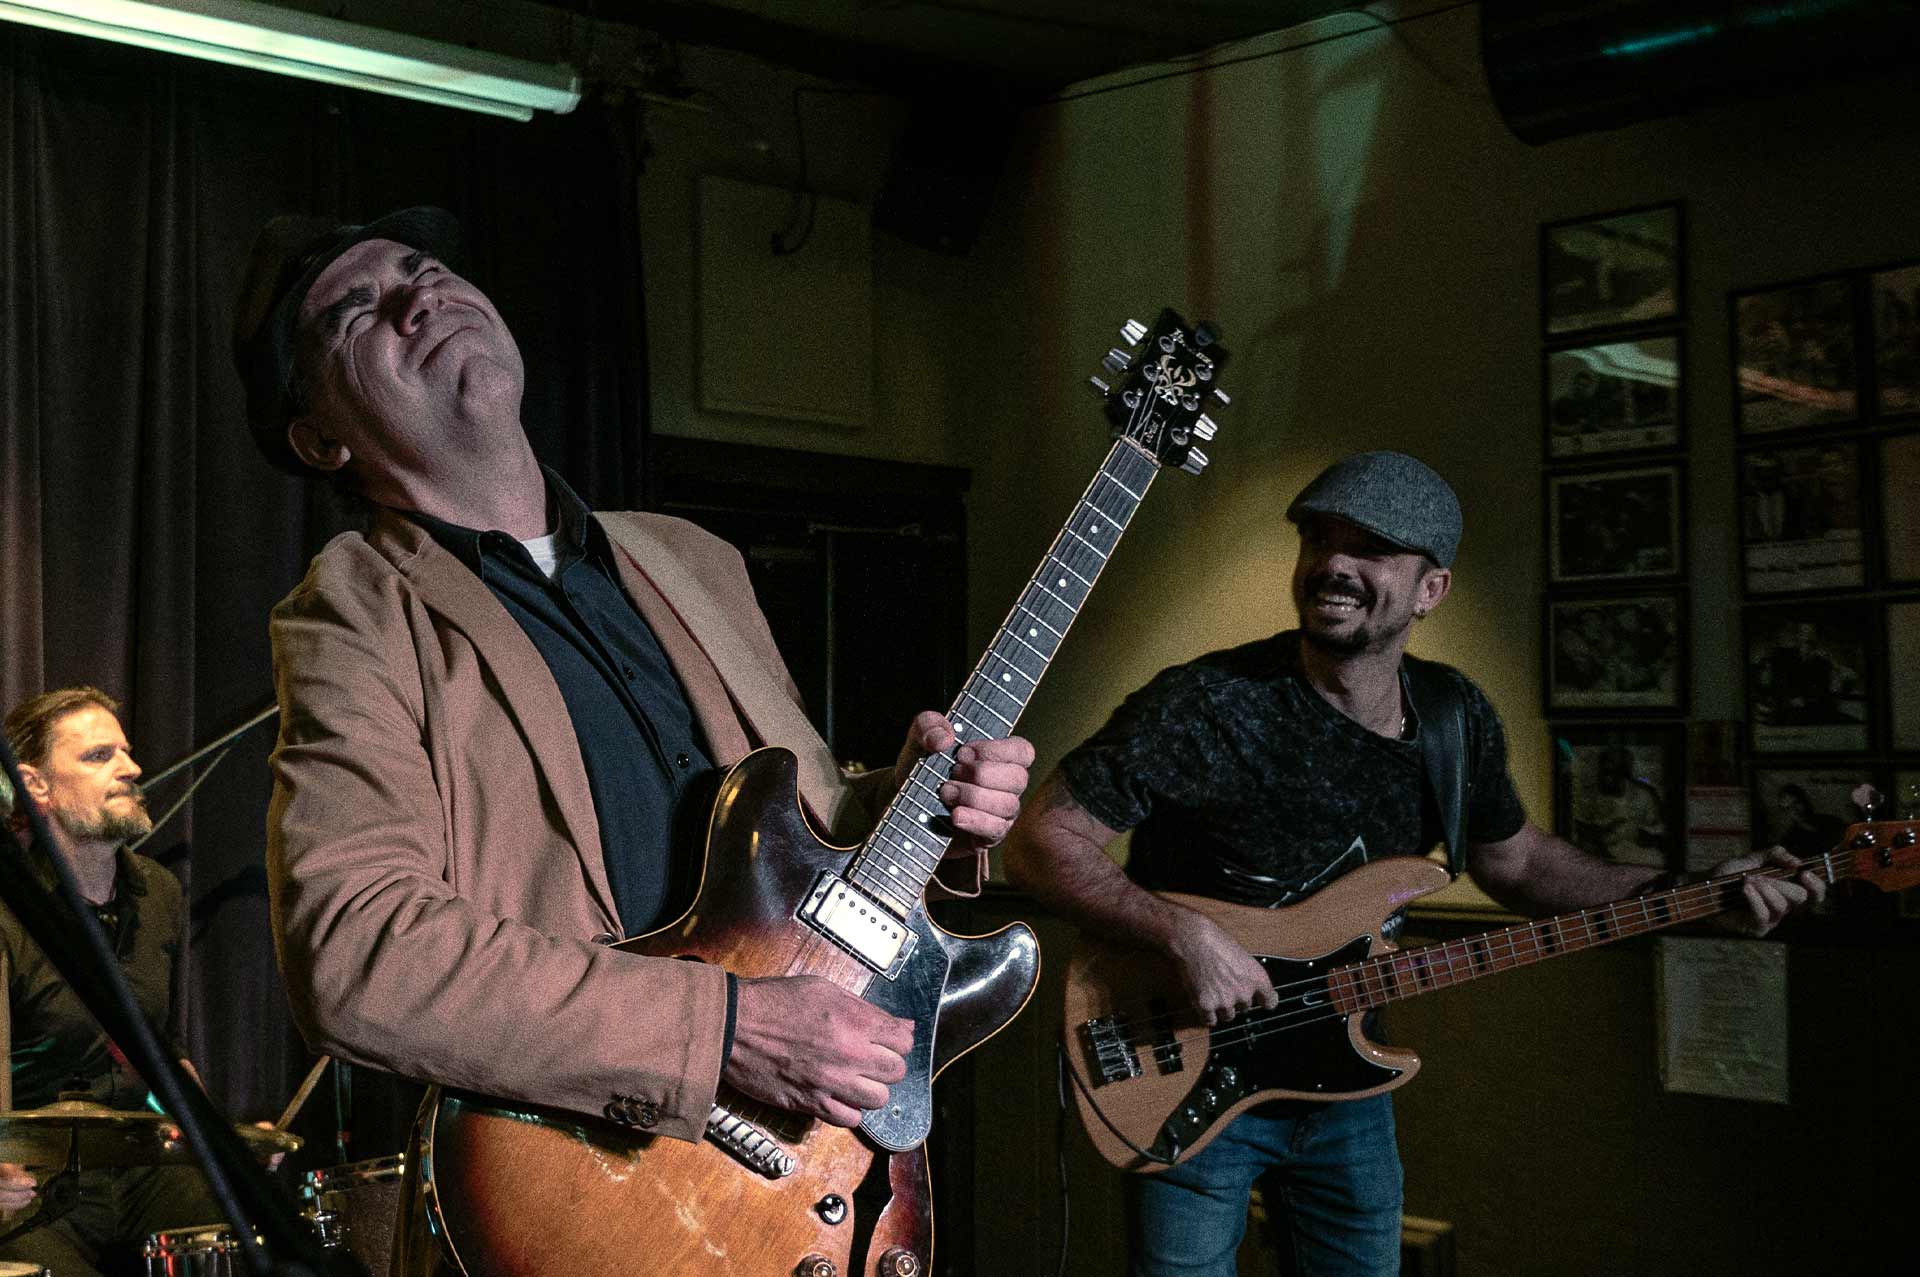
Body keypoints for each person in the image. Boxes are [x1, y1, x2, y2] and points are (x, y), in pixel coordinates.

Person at [230, 207, 1033, 1272]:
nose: (417, 294)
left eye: (425, 267)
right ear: (322, 436)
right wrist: (723, 1030)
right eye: (357, 311)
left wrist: (925, 803)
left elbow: (799, 847)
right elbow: (355, 947)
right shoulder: (354, 610)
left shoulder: (693, 557)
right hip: (597, 1199)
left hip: (809, 1182)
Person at [1002, 451, 1826, 1277]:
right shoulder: (1207, 702)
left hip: (1347, 1092)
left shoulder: (1453, 716)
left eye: (1372, 548)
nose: (1334, 564)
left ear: (1432, 589)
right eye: (1320, 539)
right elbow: (1041, 839)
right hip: (1181, 1072)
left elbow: (1524, 864)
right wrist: (1184, 934)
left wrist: (1693, 895)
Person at [0, 688, 226, 1276]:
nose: (132, 768)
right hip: (35, 1180)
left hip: (140, 1159)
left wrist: (232, 1148)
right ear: (34, 785)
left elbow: (164, 1053)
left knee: (247, 1230)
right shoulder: (7, 907)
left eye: (126, 753)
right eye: (100, 756)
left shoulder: (159, 894)